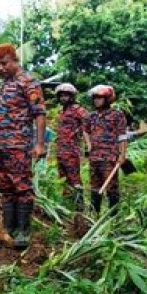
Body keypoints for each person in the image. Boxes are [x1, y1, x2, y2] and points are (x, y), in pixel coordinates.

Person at [0, 43, 46, 249]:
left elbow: (39, 114)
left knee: (21, 187)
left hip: (18, 145)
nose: (1, 68)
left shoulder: (28, 82)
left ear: (14, 60)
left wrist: (39, 144)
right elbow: (2, 112)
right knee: (6, 187)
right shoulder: (4, 85)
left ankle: (23, 230)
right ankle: (8, 227)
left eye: (4, 64)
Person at [83, 84, 127, 215]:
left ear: (107, 99)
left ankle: (114, 217)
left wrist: (122, 155)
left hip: (110, 157)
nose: (96, 100)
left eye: (100, 98)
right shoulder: (91, 116)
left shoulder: (117, 115)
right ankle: (94, 216)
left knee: (111, 188)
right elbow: (85, 130)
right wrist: (88, 144)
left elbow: (122, 136)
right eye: (95, 98)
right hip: (94, 157)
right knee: (95, 187)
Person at [54, 82, 90, 211]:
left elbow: (89, 124)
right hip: (60, 150)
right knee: (63, 178)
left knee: (74, 177)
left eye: (66, 95)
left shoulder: (78, 110)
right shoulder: (61, 112)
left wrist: (85, 141)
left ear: (72, 96)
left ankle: (80, 206)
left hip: (71, 150)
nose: (63, 98)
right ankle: (67, 204)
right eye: (61, 95)